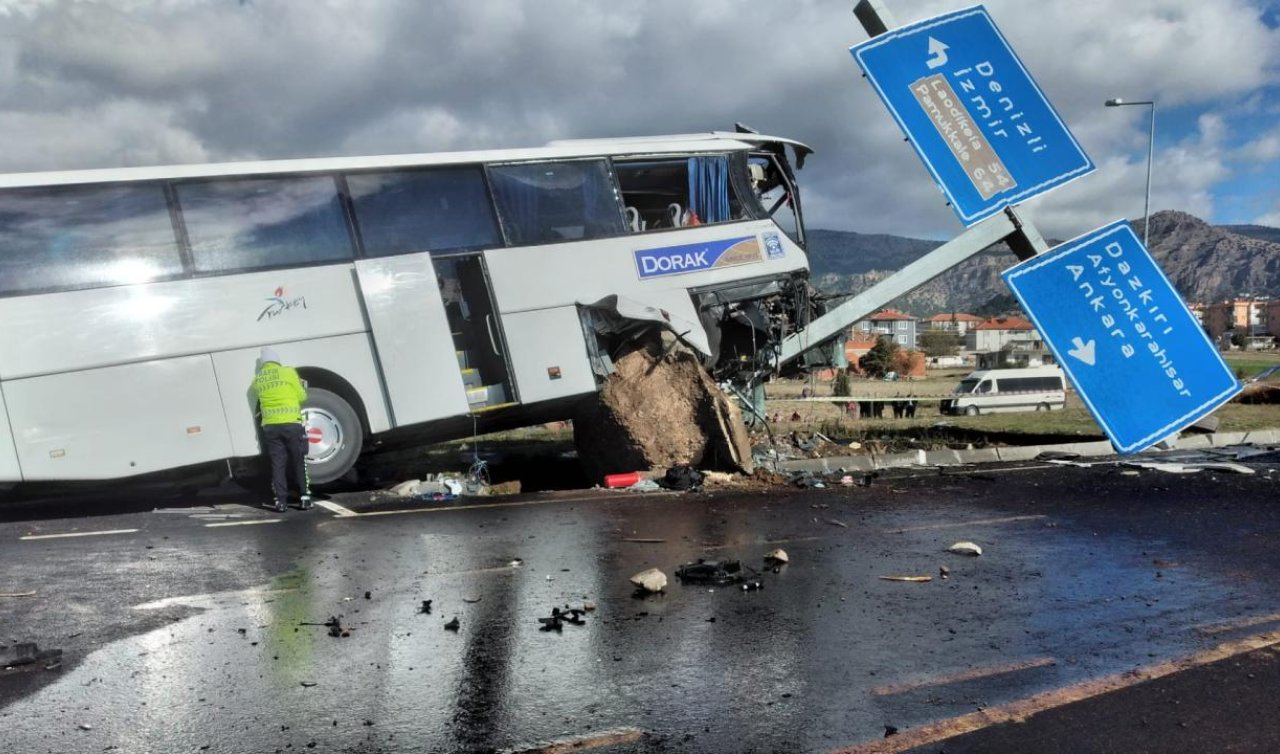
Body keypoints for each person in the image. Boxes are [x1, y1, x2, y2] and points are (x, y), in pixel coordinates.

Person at [253, 347, 311, 512]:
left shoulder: (257, 380)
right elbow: (302, 396)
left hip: (271, 427)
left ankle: (281, 502)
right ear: (277, 360)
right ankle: (304, 498)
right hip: (292, 424)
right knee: (298, 461)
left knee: (278, 464)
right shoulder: (288, 372)